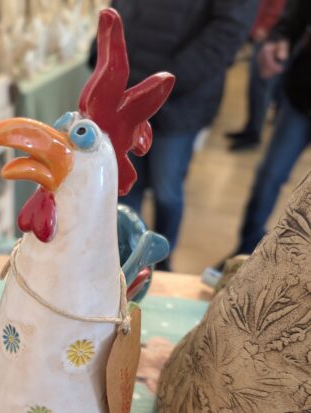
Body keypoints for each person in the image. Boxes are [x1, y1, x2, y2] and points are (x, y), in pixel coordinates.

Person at [99, 0, 259, 270]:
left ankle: (160, 262)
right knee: (125, 187)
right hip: (130, 90)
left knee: (167, 189)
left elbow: (227, 31)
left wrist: (166, 83)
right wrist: (104, 50)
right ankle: (125, 257)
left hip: (180, 99)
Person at [232, 0, 311, 256]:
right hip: (300, 100)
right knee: (269, 176)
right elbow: (292, 19)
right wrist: (279, 39)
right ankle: (247, 252)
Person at [226, 0, 288, 151]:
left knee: (261, 90)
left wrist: (265, 26)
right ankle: (250, 129)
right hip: (267, 33)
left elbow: (278, 7)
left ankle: (253, 135)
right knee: (258, 89)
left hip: (269, 36)